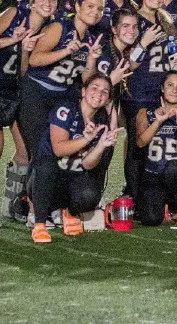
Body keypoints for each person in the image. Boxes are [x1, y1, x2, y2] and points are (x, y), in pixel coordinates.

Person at [0, 0, 59, 227]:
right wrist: (12, 40)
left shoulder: (49, 30)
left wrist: (24, 50)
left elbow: (24, 71)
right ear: (32, 1)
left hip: (18, 93)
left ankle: (12, 201)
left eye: (52, 0)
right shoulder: (15, 14)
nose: (47, 4)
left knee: (26, 152)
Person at [29, 74, 119, 243]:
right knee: (46, 167)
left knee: (90, 195)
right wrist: (85, 139)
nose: (99, 94)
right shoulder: (66, 109)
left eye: (105, 92)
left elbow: (87, 164)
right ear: (83, 91)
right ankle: (39, 223)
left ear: (108, 99)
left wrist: (100, 146)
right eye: (95, 88)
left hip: (71, 177)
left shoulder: (101, 121)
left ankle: (69, 213)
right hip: (45, 178)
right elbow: (58, 149)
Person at [19, 0, 104, 164]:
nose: (95, 12)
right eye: (90, 6)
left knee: (54, 152)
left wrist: (91, 60)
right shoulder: (60, 27)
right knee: (39, 152)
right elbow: (34, 59)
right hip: (37, 92)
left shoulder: (89, 38)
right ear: (77, 6)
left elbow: (86, 79)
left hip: (60, 96)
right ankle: (29, 192)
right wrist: (65, 51)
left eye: (100, 9)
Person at [123, 0, 177, 200]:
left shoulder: (166, 21)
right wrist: (143, 43)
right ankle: (134, 194)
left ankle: (154, 195)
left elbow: (172, 58)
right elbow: (129, 62)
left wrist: (176, 60)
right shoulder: (134, 21)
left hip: (161, 93)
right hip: (138, 92)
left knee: (157, 144)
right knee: (137, 147)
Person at [135, 71, 177, 227]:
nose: (174, 90)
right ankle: (163, 205)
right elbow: (140, 143)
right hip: (152, 174)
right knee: (150, 220)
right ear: (162, 88)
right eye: (170, 85)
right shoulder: (145, 113)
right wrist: (157, 122)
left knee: (174, 167)